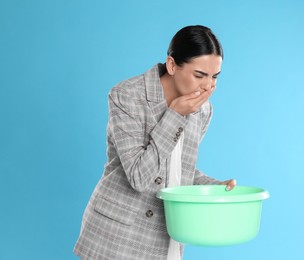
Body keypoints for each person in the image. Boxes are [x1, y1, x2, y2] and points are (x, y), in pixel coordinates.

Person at [73, 25, 236, 260]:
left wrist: (214, 187)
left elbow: (177, 168)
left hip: (167, 235)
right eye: (200, 75)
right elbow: (140, 177)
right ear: (172, 65)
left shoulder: (203, 110)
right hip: (118, 236)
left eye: (214, 77)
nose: (208, 86)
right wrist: (175, 115)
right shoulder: (126, 96)